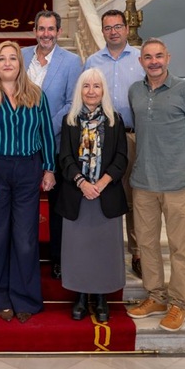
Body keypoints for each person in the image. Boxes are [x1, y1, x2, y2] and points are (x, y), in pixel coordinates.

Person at [0, 41, 56, 323]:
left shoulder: (36, 95)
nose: (7, 63)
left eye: (13, 58)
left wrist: (49, 169)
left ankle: (25, 297)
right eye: (2, 58)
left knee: (26, 238)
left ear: (20, 64)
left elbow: (46, 135)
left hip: (29, 170)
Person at [126, 38, 185, 332]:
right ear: (141, 61)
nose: (154, 61)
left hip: (177, 183)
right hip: (144, 182)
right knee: (146, 245)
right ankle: (156, 297)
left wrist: (184, 164)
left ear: (168, 58)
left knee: (178, 248)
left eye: (159, 56)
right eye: (148, 57)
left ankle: (178, 304)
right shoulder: (135, 91)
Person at [57, 68, 128, 322]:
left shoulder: (114, 120)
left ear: (103, 91)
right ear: (80, 90)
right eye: (86, 86)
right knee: (79, 251)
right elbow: (64, 157)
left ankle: (100, 299)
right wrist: (82, 183)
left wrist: (102, 182)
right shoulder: (70, 120)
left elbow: (121, 157)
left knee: (103, 251)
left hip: (105, 195)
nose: (91, 91)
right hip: (77, 196)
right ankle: (79, 297)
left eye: (96, 86)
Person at [21, 10, 82, 280]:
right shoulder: (19, 56)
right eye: (41, 29)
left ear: (58, 31)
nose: (46, 34)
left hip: (56, 144)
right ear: (34, 31)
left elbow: (72, 103)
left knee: (58, 206)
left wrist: (44, 129)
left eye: (51, 29)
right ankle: (25, 256)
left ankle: (58, 258)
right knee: (24, 206)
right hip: (20, 145)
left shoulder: (71, 62)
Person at [83, 9, 144, 278]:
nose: (113, 32)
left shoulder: (140, 59)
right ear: (102, 31)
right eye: (108, 28)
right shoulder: (93, 61)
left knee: (134, 197)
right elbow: (85, 96)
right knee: (101, 193)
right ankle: (103, 249)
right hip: (100, 138)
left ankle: (138, 251)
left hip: (133, 136)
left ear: (126, 27)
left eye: (118, 26)